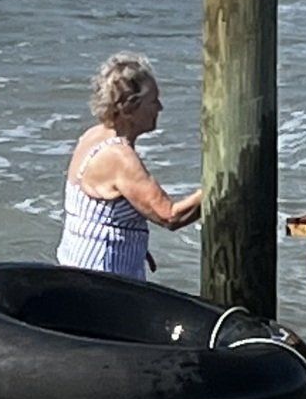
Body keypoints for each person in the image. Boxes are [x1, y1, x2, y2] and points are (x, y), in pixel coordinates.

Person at [58, 52, 200, 278]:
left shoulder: (92, 136)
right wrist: (222, 187)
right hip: (102, 280)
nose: (160, 108)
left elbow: (100, 215)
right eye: (153, 101)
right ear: (128, 108)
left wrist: (133, 241)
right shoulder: (119, 157)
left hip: (74, 269)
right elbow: (170, 216)